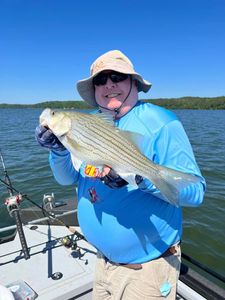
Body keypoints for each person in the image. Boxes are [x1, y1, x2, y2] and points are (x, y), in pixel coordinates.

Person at [35, 50, 206, 300]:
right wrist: (58, 150)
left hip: (146, 270)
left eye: (117, 76)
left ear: (133, 83)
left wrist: (138, 177)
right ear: (93, 90)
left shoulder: (162, 123)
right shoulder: (87, 123)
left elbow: (196, 194)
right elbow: (66, 179)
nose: (109, 84)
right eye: (100, 80)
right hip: (102, 262)